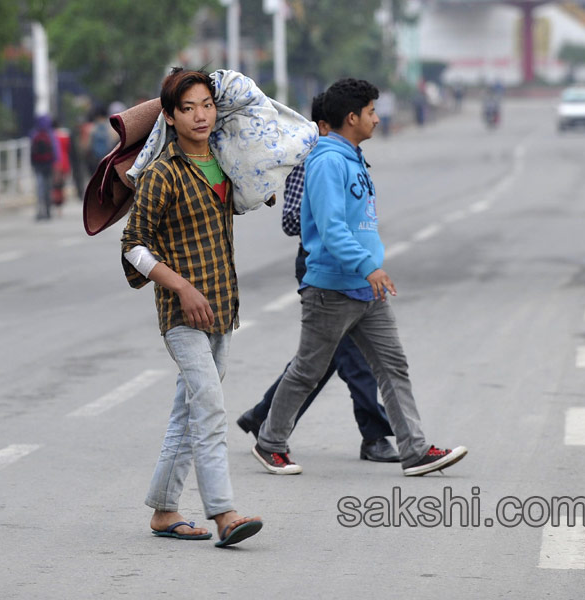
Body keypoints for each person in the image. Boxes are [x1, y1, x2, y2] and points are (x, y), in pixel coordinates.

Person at [251, 78, 467, 478]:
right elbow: (332, 230)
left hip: (365, 289)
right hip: (332, 287)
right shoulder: (327, 161)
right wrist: (369, 266)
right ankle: (269, 443)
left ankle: (415, 451)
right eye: (370, 112)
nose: (377, 119)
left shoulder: (352, 157)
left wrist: (369, 271)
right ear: (351, 118)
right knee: (308, 370)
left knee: (392, 366)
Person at [121, 67, 263, 547]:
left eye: (206, 104)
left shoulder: (225, 163)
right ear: (170, 116)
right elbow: (133, 245)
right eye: (188, 108)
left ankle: (164, 510)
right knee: (209, 409)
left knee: (188, 411)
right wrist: (180, 286)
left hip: (223, 307)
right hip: (183, 315)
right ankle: (224, 514)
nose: (200, 115)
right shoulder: (162, 173)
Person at [236, 93, 398, 464]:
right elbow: (294, 220)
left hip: (352, 266)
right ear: (324, 126)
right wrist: (324, 215)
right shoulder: (313, 162)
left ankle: (263, 417)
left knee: (319, 359)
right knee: (345, 358)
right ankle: (373, 435)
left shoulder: (352, 159)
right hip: (321, 265)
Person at [30, 115, 59, 221]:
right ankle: (48, 210)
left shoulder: (34, 133)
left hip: (38, 165)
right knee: (48, 188)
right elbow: (56, 151)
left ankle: (40, 210)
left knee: (39, 188)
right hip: (48, 165)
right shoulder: (50, 134)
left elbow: (31, 150)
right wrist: (56, 164)